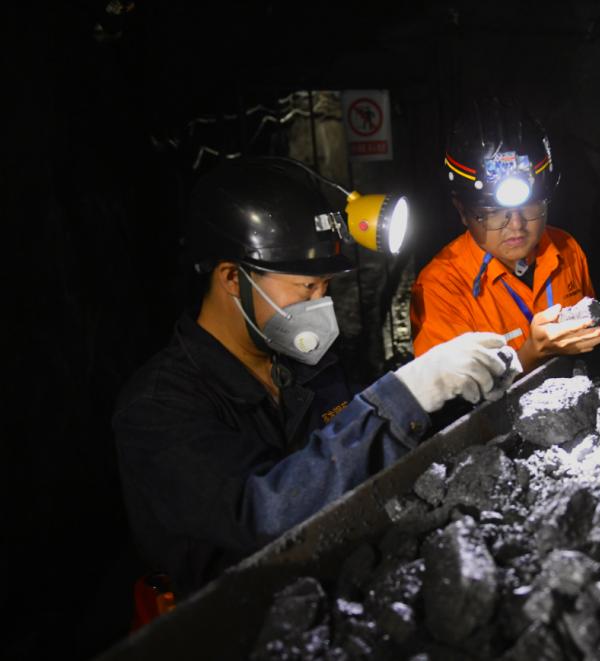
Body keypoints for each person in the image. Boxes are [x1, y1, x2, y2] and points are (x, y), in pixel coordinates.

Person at [113, 157, 520, 598]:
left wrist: (455, 393)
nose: (320, 302)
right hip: (236, 618)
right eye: (306, 287)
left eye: (325, 284)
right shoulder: (158, 407)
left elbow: (365, 452)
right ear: (232, 278)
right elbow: (265, 514)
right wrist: (408, 393)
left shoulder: (312, 365)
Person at [410, 97, 600, 372]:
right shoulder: (441, 289)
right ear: (462, 211)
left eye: (530, 206)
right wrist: (530, 354)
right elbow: (451, 397)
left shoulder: (567, 250)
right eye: (494, 212)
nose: (516, 225)